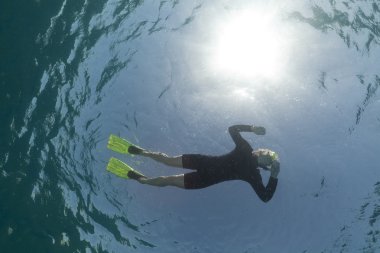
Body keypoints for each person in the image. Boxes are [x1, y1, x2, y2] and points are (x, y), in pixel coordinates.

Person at [107, 125, 280, 202]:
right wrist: (252, 128)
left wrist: (274, 177)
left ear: (267, 164)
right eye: (265, 151)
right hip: (203, 161)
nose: (264, 152)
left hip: (204, 180)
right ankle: (140, 151)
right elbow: (232, 129)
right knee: (166, 159)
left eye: (268, 156)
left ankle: (140, 179)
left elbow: (265, 197)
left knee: (169, 180)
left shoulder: (253, 175)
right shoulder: (245, 147)